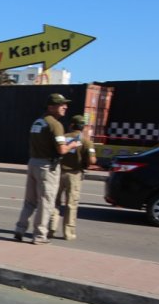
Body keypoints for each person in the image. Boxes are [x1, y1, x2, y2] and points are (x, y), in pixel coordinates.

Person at [14, 93, 81, 245]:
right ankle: (39, 236)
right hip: (47, 167)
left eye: (65, 104)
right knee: (46, 202)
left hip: (33, 163)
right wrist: (72, 145)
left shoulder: (37, 122)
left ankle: (20, 229)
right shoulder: (55, 125)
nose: (65, 107)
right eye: (61, 104)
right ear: (51, 107)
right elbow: (62, 150)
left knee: (29, 202)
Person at [49, 115, 97, 241]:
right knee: (71, 204)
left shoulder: (63, 137)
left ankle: (50, 229)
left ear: (71, 125)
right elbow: (92, 160)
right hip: (74, 175)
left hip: (59, 173)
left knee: (54, 201)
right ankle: (68, 233)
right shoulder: (86, 142)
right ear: (84, 127)